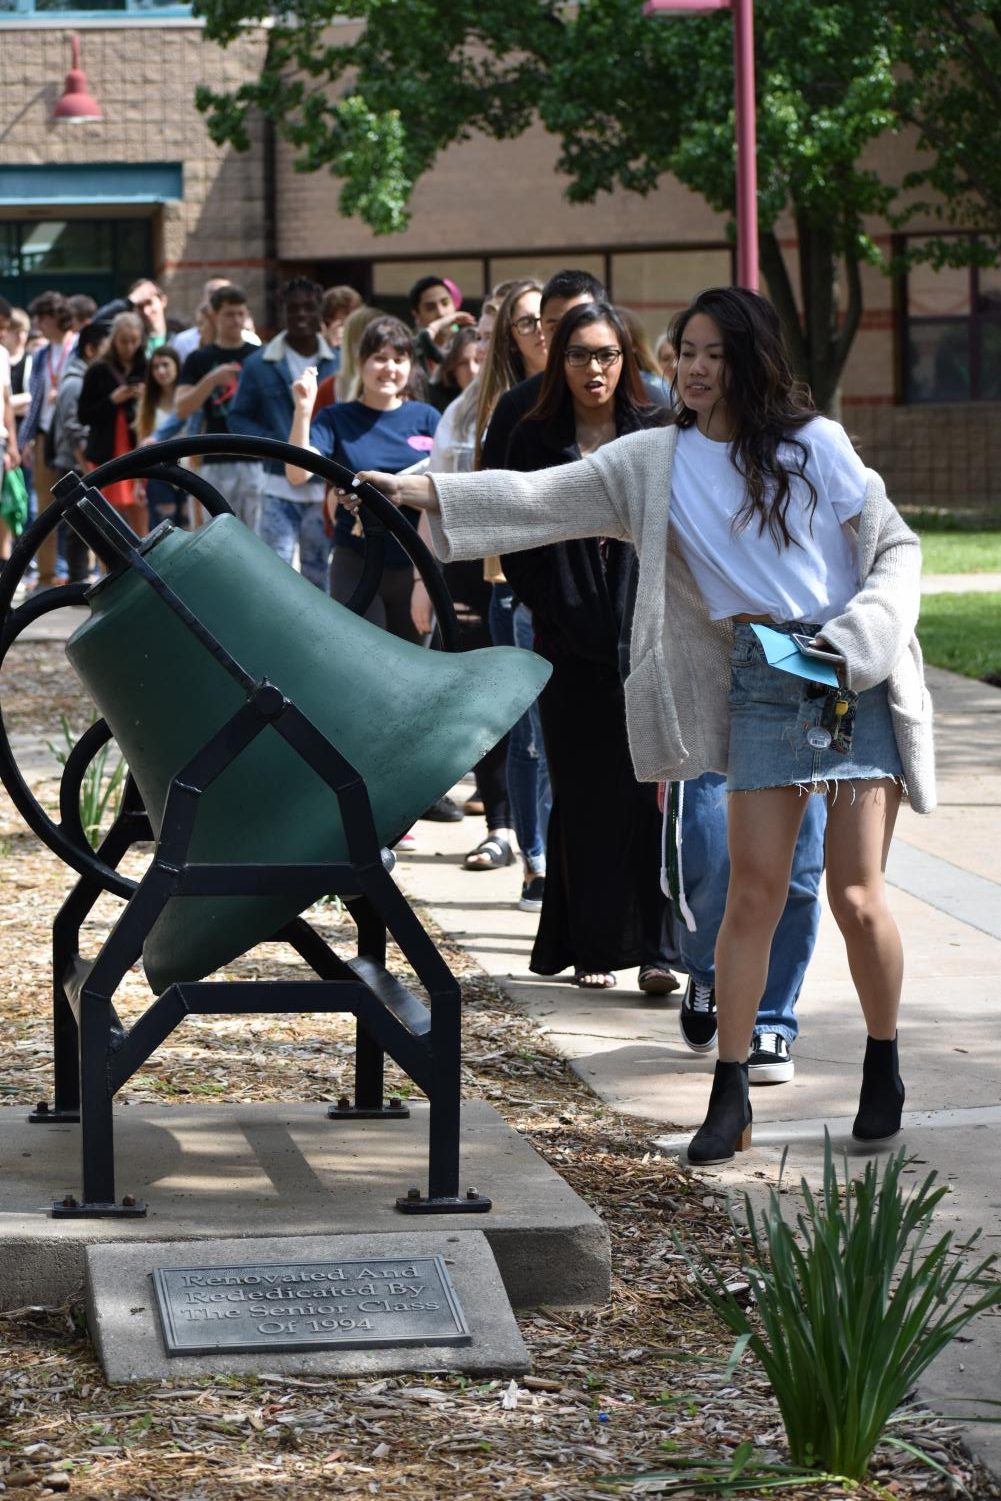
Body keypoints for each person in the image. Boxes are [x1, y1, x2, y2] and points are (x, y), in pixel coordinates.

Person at [355, 285, 934, 1166]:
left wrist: (861, 639)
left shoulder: (814, 445)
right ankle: (729, 1089)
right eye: (684, 351)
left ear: (749, 357)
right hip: (764, 681)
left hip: (851, 670)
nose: (693, 368)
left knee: (856, 896)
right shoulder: (653, 461)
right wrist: (420, 489)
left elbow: (891, 547)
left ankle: (881, 1061)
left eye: (711, 352)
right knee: (750, 893)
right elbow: (541, 495)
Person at [495, 300, 676, 990]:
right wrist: (563, 610)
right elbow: (515, 540)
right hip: (568, 649)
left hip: (650, 645)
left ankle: (661, 949)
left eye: (605, 354)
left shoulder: (655, 432)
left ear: (626, 359)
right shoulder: (534, 436)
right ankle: (594, 945)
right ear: (558, 360)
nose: (592, 368)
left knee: (650, 795)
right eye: (578, 354)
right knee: (584, 794)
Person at [285, 313, 439, 642]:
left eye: (399, 359)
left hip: (415, 564)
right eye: (380, 358)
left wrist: (424, 581)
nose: (390, 368)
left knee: (414, 669)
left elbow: (445, 488)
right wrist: (302, 409)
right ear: (361, 362)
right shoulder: (337, 417)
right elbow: (297, 473)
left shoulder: (427, 417)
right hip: (356, 560)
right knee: (366, 659)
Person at [228, 277, 338, 588]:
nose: (301, 314)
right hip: (276, 484)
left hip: (323, 489)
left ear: (320, 312)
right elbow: (238, 419)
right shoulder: (259, 363)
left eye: (308, 307)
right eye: (293, 308)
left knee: (320, 574)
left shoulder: (340, 363)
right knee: (275, 575)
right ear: (282, 312)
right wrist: (281, 446)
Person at [175, 284, 265, 530]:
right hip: (215, 458)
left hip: (257, 457)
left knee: (257, 536)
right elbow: (182, 408)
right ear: (215, 316)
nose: (236, 320)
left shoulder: (260, 356)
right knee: (218, 533)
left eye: (240, 313)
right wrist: (211, 380)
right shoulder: (199, 358)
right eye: (229, 314)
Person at [18, 291, 77, 587]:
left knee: (81, 504)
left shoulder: (78, 346)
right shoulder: (40, 354)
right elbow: (35, 402)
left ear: (56, 316)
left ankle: (82, 571)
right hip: (44, 437)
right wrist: (25, 440)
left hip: (72, 436)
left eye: (42, 317)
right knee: (44, 509)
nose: (38, 324)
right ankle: (46, 575)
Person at [78, 310, 148, 536]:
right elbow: (83, 414)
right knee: (108, 513)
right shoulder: (98, 369)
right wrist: (112, 400)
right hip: (107, 447)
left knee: (140, 507)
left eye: (134, 341)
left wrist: (145, 397)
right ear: (114, 339)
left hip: (137, 443)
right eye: (124, 341)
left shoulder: (145, 366)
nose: (129, 347)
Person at [49, 320, 109, 581]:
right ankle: (78, 579)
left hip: (82, 461)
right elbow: (74, 430)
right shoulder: (76, 382)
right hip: (76, 463)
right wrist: (87, 463)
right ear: (91, 349)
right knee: (80, 525)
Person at [135, 344, 188, 529]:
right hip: (159, 473)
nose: (161, 371)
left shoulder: (188, 399)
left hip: (189, 469)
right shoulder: (148, 403)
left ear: (176, 366)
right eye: (156, 367)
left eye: (165, 365)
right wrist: (139, 483)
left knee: (189, 526)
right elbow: (142, 440)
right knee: (164, 528)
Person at [409, 275, 475, 377]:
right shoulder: (412, 354)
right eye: (430, 307)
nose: (441, 313)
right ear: (417, 316)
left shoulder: (472, 342)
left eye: (445, 303)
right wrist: (437, 325)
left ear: (454, 305)